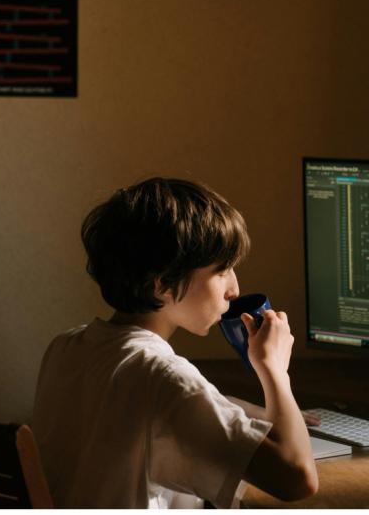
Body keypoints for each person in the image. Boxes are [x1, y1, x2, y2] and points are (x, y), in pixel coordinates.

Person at [32, 177, 319, 508]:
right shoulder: (164, 377)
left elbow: (135, 406)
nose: (235, 289)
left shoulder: (65, 348)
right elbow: (297, 479)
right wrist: (275, 372)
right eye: (222, 270)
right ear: (163, 285)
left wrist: (239, 409)